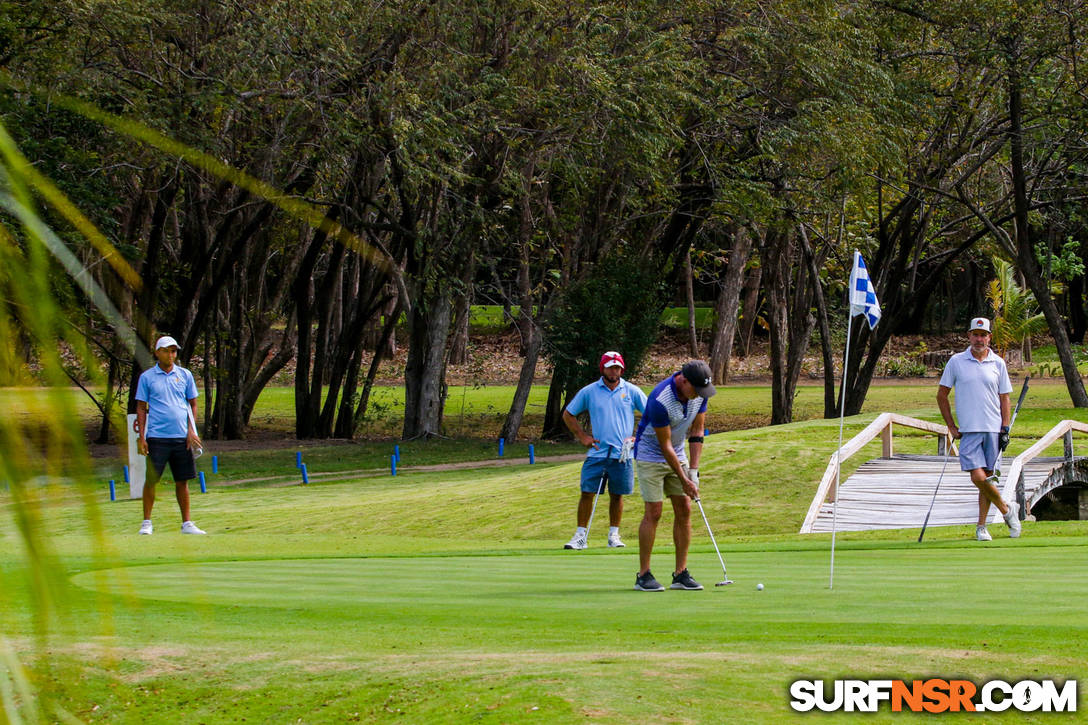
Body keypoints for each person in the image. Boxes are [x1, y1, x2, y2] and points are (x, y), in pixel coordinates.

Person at [632, 360, 716, 591]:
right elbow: (664, 445)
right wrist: (683, 479)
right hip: (650, 454)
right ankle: (644, 575)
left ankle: (680, 574)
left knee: (685, 509)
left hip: (677, 452)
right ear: (684, 380)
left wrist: (694, 472)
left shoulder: (700, 392)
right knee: (654, 512)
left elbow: (698, 432)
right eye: (696, 390)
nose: (699, 395)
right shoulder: (660, 399)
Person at [937, 317, 1021, 541]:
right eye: (975, 334)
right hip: (969, 430)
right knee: (977, 476)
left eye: (983, 335)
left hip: (993, 429)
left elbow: (1005, 398)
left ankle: (981, 527)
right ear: (969, 336)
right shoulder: (956, 361)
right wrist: (951, 426)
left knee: (989, 480)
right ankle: (1007, 510)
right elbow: (941, 395)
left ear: (989, 337)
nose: (979, 339)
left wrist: (1005, 427)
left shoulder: (998, 363)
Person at [561, 351, 648, 550]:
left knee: (617, 495)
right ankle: (580, 535)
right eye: (610, 367)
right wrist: (582, 436)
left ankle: (614, 535)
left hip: (622, 454)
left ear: (622, 369)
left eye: (617, 367)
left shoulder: (631, 391)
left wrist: (638, 436)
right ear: (603, 368)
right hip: (597, 452)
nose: (614, 371)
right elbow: (568, 414)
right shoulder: (589, 391)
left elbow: (651, 413)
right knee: (587, 493)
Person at [134, 335, 206, 535]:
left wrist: (191, 431)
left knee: (182, 480)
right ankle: (147, 522)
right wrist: (142, 437)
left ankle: (187, 524)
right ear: (157, 353)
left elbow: (192, 403)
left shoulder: (185, 375)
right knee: (152, 480)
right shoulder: (147, 377)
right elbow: (141, 407)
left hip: (182, 437)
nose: (170, 354)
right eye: (166, 350)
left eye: (173, 351)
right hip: (157, 436)